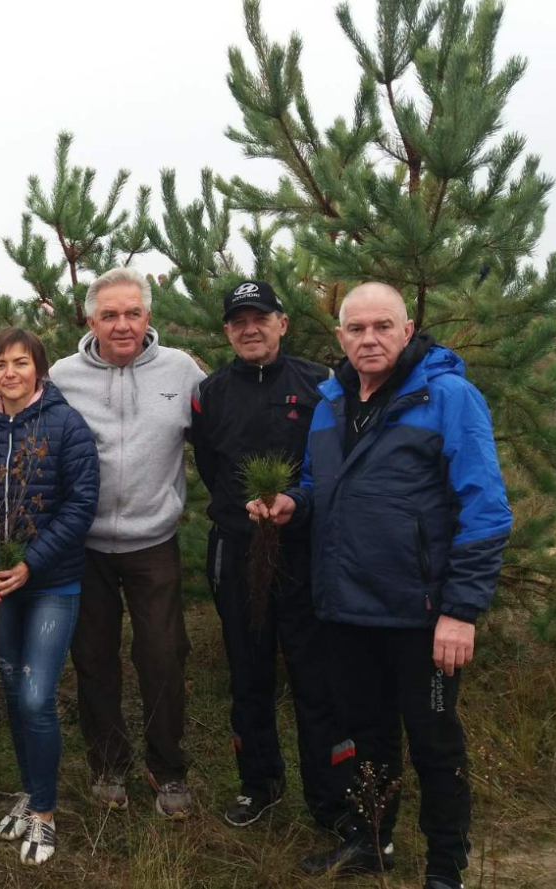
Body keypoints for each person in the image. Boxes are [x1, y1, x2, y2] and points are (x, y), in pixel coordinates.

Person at [247, 283, 512, 889]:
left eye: (382, 326)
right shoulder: (332, 400)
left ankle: (447, 868)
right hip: (347, 609)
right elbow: (320, 484)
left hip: (422, 616)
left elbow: (488, 510)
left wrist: (461, 610)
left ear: (407, 328)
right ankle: (371, 842)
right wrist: (294, 503)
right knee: (368, 739)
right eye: (356, 328)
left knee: (435, 745)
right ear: (340, 336)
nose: (369, 339)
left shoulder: (447, 397)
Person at [189, 280, 349, 830]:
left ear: (283, 323)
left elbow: (333, 465)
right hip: (237, 550)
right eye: (238, 321)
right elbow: (210, 467)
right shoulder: (209, 393)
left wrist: (293, 506)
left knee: (315, 678)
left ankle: (328, 800)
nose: (249, 329)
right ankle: (259, 786)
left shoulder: (321, 383)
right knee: (248, 673)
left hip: (303, 550)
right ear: (228, 331)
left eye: (261, 318)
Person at [49, 266, 206, 817]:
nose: (122, 324)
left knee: (163, 655)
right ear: (90, 319)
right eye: (110, 314)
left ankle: (167, 769)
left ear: (148, 317)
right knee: (93, 657)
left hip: (152, 540)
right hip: (81, 544)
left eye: (132, 313)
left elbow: (220, 433)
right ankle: (108, 763)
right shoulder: (61, 376)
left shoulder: (182, 370)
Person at [0, 328, 99, 865]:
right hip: (1, 586)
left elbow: (80, 504)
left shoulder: (66, 425)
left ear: (40, 369)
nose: (10, 373)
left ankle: (44, 813)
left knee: (37, 696)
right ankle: (29, 789)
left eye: (21, 363)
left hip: (51, 582)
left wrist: (29, 563)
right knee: (11, 688)